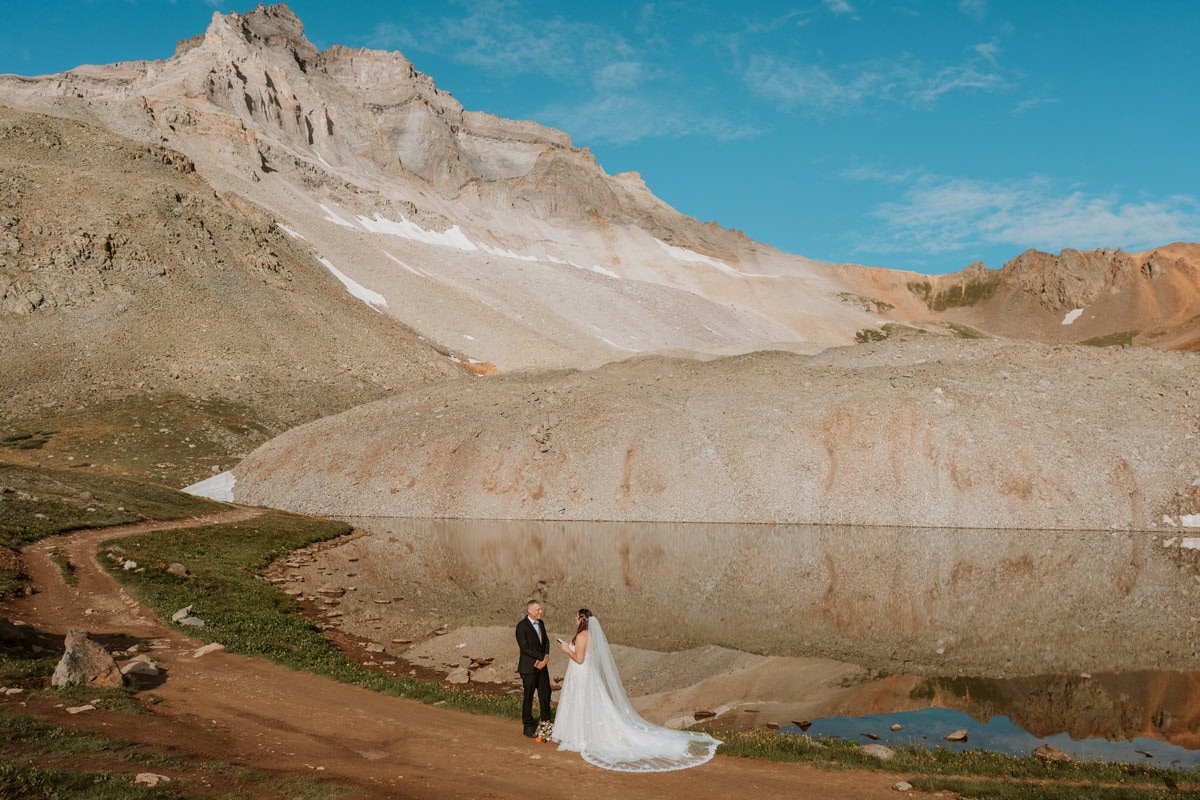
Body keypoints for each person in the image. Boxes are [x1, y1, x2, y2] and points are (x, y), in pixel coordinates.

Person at [551, 608, 721, 772]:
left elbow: (579, 659)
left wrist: (567, 649)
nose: (575, 619)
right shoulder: (593, 636)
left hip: (581, 675)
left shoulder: (582, 636)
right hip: (589, 675)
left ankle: (580, 736)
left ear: (581, 619)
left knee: (581, 703)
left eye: (576, 617)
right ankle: (583, 733)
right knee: (590, 704)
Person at [515, 599, 551, 738]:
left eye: (541, 609)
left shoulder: (541, 624)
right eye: (538, 610)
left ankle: (546, 723)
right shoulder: (521, 627)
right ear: (530, 611)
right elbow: (525, 647)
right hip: (529, 667)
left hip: (542, 667)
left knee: (545, 693)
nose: (541, 611)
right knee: (529, 696)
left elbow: (546, 641)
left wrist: (546, 656)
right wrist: (542, 657)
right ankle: (528, 725)